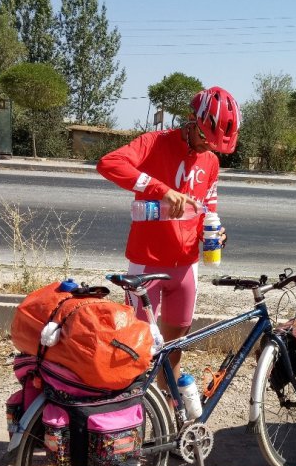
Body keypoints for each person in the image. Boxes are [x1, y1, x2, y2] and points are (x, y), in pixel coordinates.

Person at [97, 86, 241, 383]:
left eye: (214, 144)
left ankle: (169, 415)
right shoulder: (155, 142)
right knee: (133, 349)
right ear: (191, 120)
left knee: (174, 351)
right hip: (146, 263)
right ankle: (126, 415)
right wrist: (161, 190)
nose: (206, 147)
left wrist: (212, 233)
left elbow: (206, 209)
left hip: (186, 267)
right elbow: (108, 164)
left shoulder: (211, 162)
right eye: (204, 137)